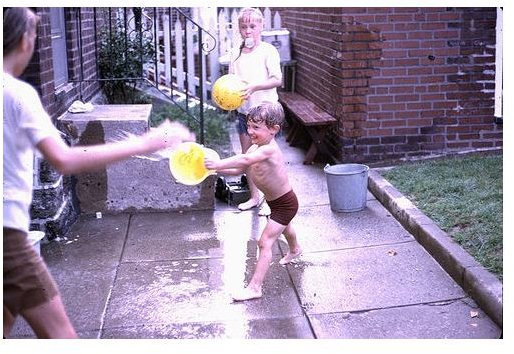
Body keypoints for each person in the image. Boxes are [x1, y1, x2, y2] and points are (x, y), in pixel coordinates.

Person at [3, 7, 195, 338]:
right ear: (24, 41)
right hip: (7, 239)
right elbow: (64, 159)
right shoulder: (17, 94)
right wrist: (146, 143)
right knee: (63, 338)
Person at [204, 102, 301, 301]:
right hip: (275, 202)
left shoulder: (269, 150)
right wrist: (214, 170)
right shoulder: (255, 149)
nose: (250, 131)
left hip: (286, 203)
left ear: (274, 130)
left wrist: (218, 162)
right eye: (248, 126)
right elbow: (238, 169)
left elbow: (243, 161)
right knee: (286, 228)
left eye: (256, 127)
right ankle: (295, 249)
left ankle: (255, 288)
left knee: (265, 242)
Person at [229, 7, 283, 216]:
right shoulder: (236, 52)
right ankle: (254, 197)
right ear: (239, 29)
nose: (248, 31)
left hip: (267, 113)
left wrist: (254, 86)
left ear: (261, 26)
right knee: (248, 156)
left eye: (252, 26)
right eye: (244, 27)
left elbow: (277, 79)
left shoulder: (268, 51)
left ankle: (273, 201)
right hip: (245, 114)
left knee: (267, 159)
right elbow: (231, 81)